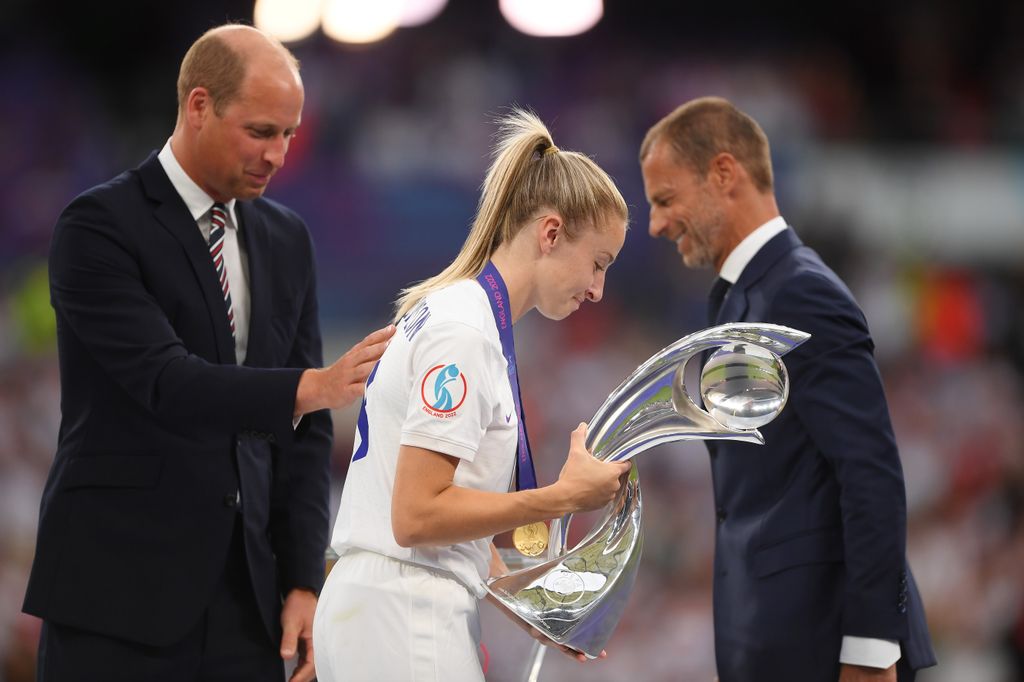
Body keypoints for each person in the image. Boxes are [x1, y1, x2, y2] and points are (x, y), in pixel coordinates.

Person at [22, 24, 394, 682]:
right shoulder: (99, 225)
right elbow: (167, 383)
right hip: (116, 598)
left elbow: (304, 441)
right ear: (198, 106)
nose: (278, 154)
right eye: (260, 131)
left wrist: (304, 580)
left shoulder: (287, 240)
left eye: (288, 133)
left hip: (245, 604)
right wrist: (310, 387)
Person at [311, 110, 633, 681]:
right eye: (598, 264)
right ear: (551, 233)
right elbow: (417, 515)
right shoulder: (465, 330)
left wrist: (540, 609)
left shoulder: (461, 314)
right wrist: (562, 497)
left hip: (386, 604)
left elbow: (446, 515)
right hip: (405, 610)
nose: (597, 289)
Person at [639, 97, 937, 682]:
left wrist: (872, 647)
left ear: (724, 174)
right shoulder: (744, 296)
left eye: (665, 199)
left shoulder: (800, 293)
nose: (656, 223)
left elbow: (871, 474)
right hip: (775, 636)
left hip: (823, 645)